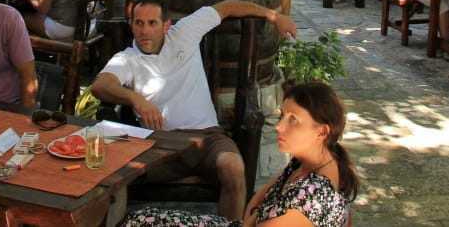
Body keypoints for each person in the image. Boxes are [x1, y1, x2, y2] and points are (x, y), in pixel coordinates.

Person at [92, 0, 298, 219]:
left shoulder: (184, 32)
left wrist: (275, 16)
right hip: (158, 146)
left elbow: (227, 7)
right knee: (115, 173)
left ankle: (229, 225)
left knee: (234, 167)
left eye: (152, 23)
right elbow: (100, 85)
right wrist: (136, 99)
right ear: (131, 25)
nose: (144, 31)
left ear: (166, 25)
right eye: (138, 23)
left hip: (207, 138)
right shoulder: (128, 59)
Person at [123, 81, 356, 227]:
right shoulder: (305, 161)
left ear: (321, 131)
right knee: (140, 219)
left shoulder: (315, 196)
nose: (279, 126)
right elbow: (258, 197)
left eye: (293, 120)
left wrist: (251, 219)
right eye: (282, 115)